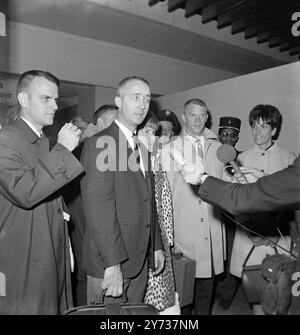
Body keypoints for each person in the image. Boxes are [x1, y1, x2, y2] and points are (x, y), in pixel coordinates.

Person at [0, 70, 84, 314]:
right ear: (24, 100)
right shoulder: (7, 139)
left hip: (45, 250)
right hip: (25, 258)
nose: (55, 106)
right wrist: (63, 150)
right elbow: (25, 192)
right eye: (46, 99)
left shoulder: (40, 139)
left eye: (55, 99)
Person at [80, 76, 164, 304]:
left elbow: (148, 202)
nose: (143, 105)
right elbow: (99, 208)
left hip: (139, 258)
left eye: (147, 99)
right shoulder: (99, 143)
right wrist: (113, 263)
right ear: (118, 100)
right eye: (135, 97)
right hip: (110, 264)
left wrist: (155, 246)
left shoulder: (141, 147)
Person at [161, 98, 225, 315]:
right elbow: (163, 198)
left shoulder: (218, 149)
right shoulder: (169, 150)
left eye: (202, 115)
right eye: (192, 115)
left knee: (206, 294)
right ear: (183, 117)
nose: (197, 120)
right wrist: (168, 240)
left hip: (212, 229)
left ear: (207, 117)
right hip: (184, 234)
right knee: (183, 297)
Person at [137, 111, 179, 314]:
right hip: (138, 236)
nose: (152, 138)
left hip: (157, 235)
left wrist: (167, 239)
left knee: (158, 296)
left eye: (154, 133)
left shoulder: (156, 160)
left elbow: (165, 200)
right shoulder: (129, 161)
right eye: (147, 131)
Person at [215, 116, 242, 311]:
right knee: (215, 255)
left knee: (232, 256)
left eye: (233, 135)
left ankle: (226, 297)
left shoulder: (241, 158)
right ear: (218, 135)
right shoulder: (208, 155)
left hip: (232, 217)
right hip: (213, 213)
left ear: (237, 138)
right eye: (225, 134)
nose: (228, 139)